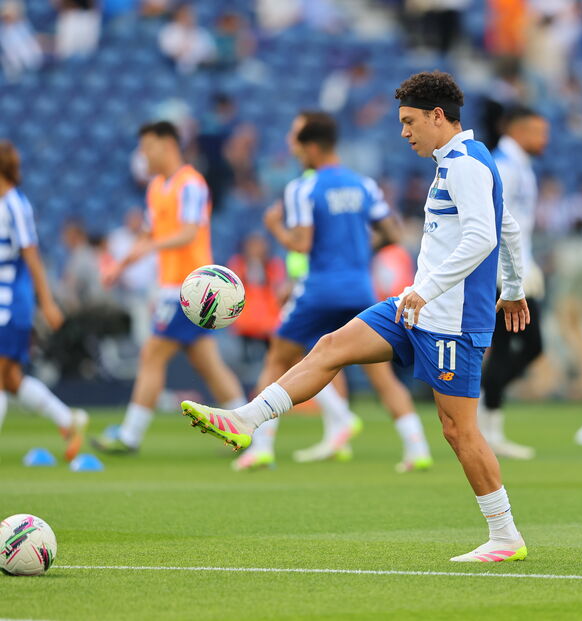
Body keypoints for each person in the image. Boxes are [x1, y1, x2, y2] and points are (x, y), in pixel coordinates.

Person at [181, 71, 531, 563]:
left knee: (458, 431)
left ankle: (504, 534)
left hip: (451, 319)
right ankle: (245, 420)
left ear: (437, 116)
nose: (404, 132)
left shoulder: (468, 164)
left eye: (410, 122)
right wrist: (512, 289)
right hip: (418, 307)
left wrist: (439, 290)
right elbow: (507, 226)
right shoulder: (454, 161)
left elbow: (485, 236)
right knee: (330, 347)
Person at [231, 111, 433, 473]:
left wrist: (274, 227)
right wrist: (358, 251)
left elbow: (301, 244)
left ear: (310, 148)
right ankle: (416, 446)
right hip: (358, 287)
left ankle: (260, 445)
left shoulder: (303, 188)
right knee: (380, 375)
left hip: (320, 289)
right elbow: (391, 232)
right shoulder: (363, 185)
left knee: (278, 359)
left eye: (298, 148)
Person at [92, 121, 247, 454]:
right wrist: (120, 266)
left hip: (191, 287)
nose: (142, 154)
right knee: (208, 364)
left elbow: (189, 233)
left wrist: (150, 248)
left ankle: (130, 435)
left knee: (151, 354)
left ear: (166, 144)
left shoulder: (190, 184)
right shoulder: (156, 187)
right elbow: (150, 233)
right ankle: (250, 430)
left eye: (146, 146)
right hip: (172, 288)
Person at [0, 141, 87, 460]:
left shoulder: (15, 205)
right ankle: (68, 420)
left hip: (10, 303)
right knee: (9, 379)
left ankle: (69, 420)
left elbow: (32, 256)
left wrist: (47, 302)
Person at [478, 106, 548, 460]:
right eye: (538, 131)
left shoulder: (518, 164)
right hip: (506, 274)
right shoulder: (504, 164)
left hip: (519, 268)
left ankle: (490, 425)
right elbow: (496, 220)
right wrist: (512, 274)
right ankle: (485, 415)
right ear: (519, 130)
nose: (544, 139)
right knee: (529, 345)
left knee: (509, 348)